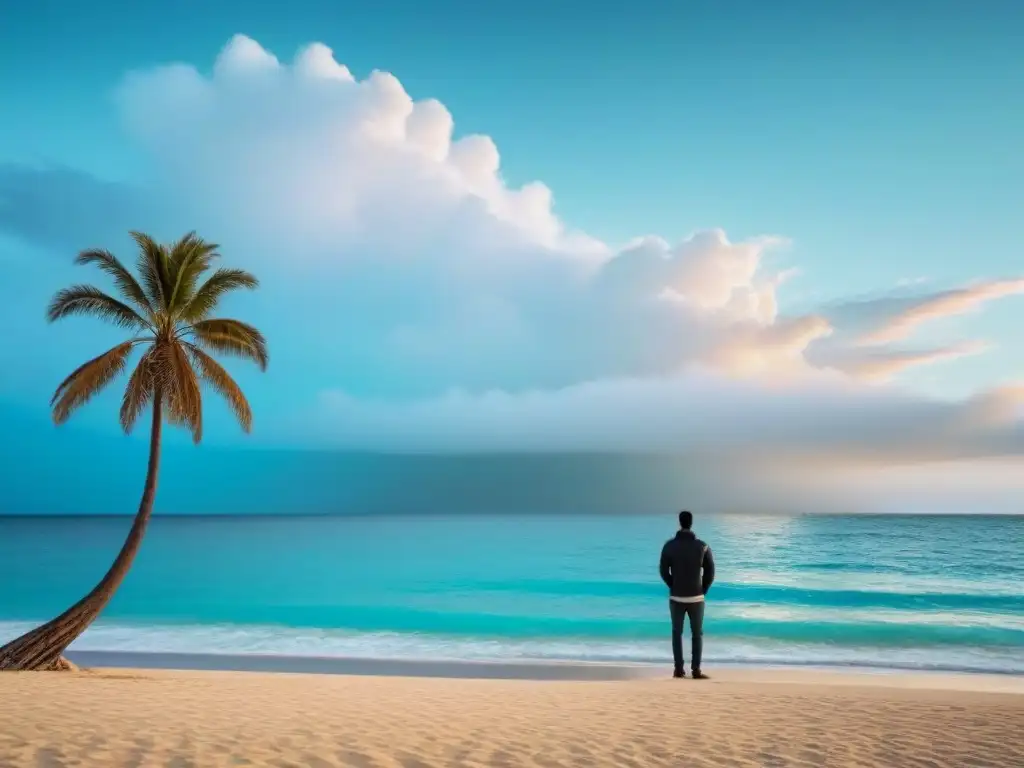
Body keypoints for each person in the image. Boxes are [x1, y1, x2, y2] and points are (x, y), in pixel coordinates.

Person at [659, 510, 715, 679]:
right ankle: (696, 670)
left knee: (677, 633)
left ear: (680, 522)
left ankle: (678, 670)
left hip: (676, 597)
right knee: (697, 634)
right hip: (696, 597)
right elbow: (710, 572)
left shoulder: (669, 546)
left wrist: (673, 584)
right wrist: (703, 589)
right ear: (691, 523)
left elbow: (663, 571)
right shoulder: (702, 546)